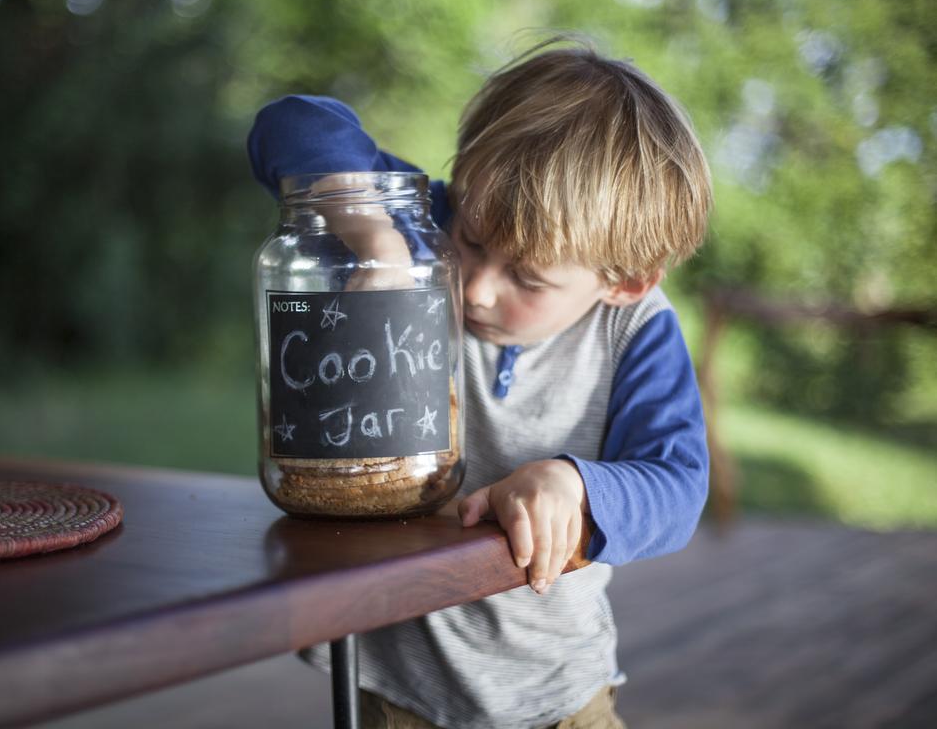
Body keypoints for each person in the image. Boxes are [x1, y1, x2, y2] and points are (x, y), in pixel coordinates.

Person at [247, 38, 712, 729]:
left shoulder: (635, 331)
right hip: (396, 684)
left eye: (528, 278)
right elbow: (291, 123)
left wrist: (576, 484)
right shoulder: (416, 224)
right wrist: (382, 243)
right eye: (469, 240)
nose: (478, 288)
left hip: (558, 693)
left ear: (626, 280)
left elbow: (678, 488)